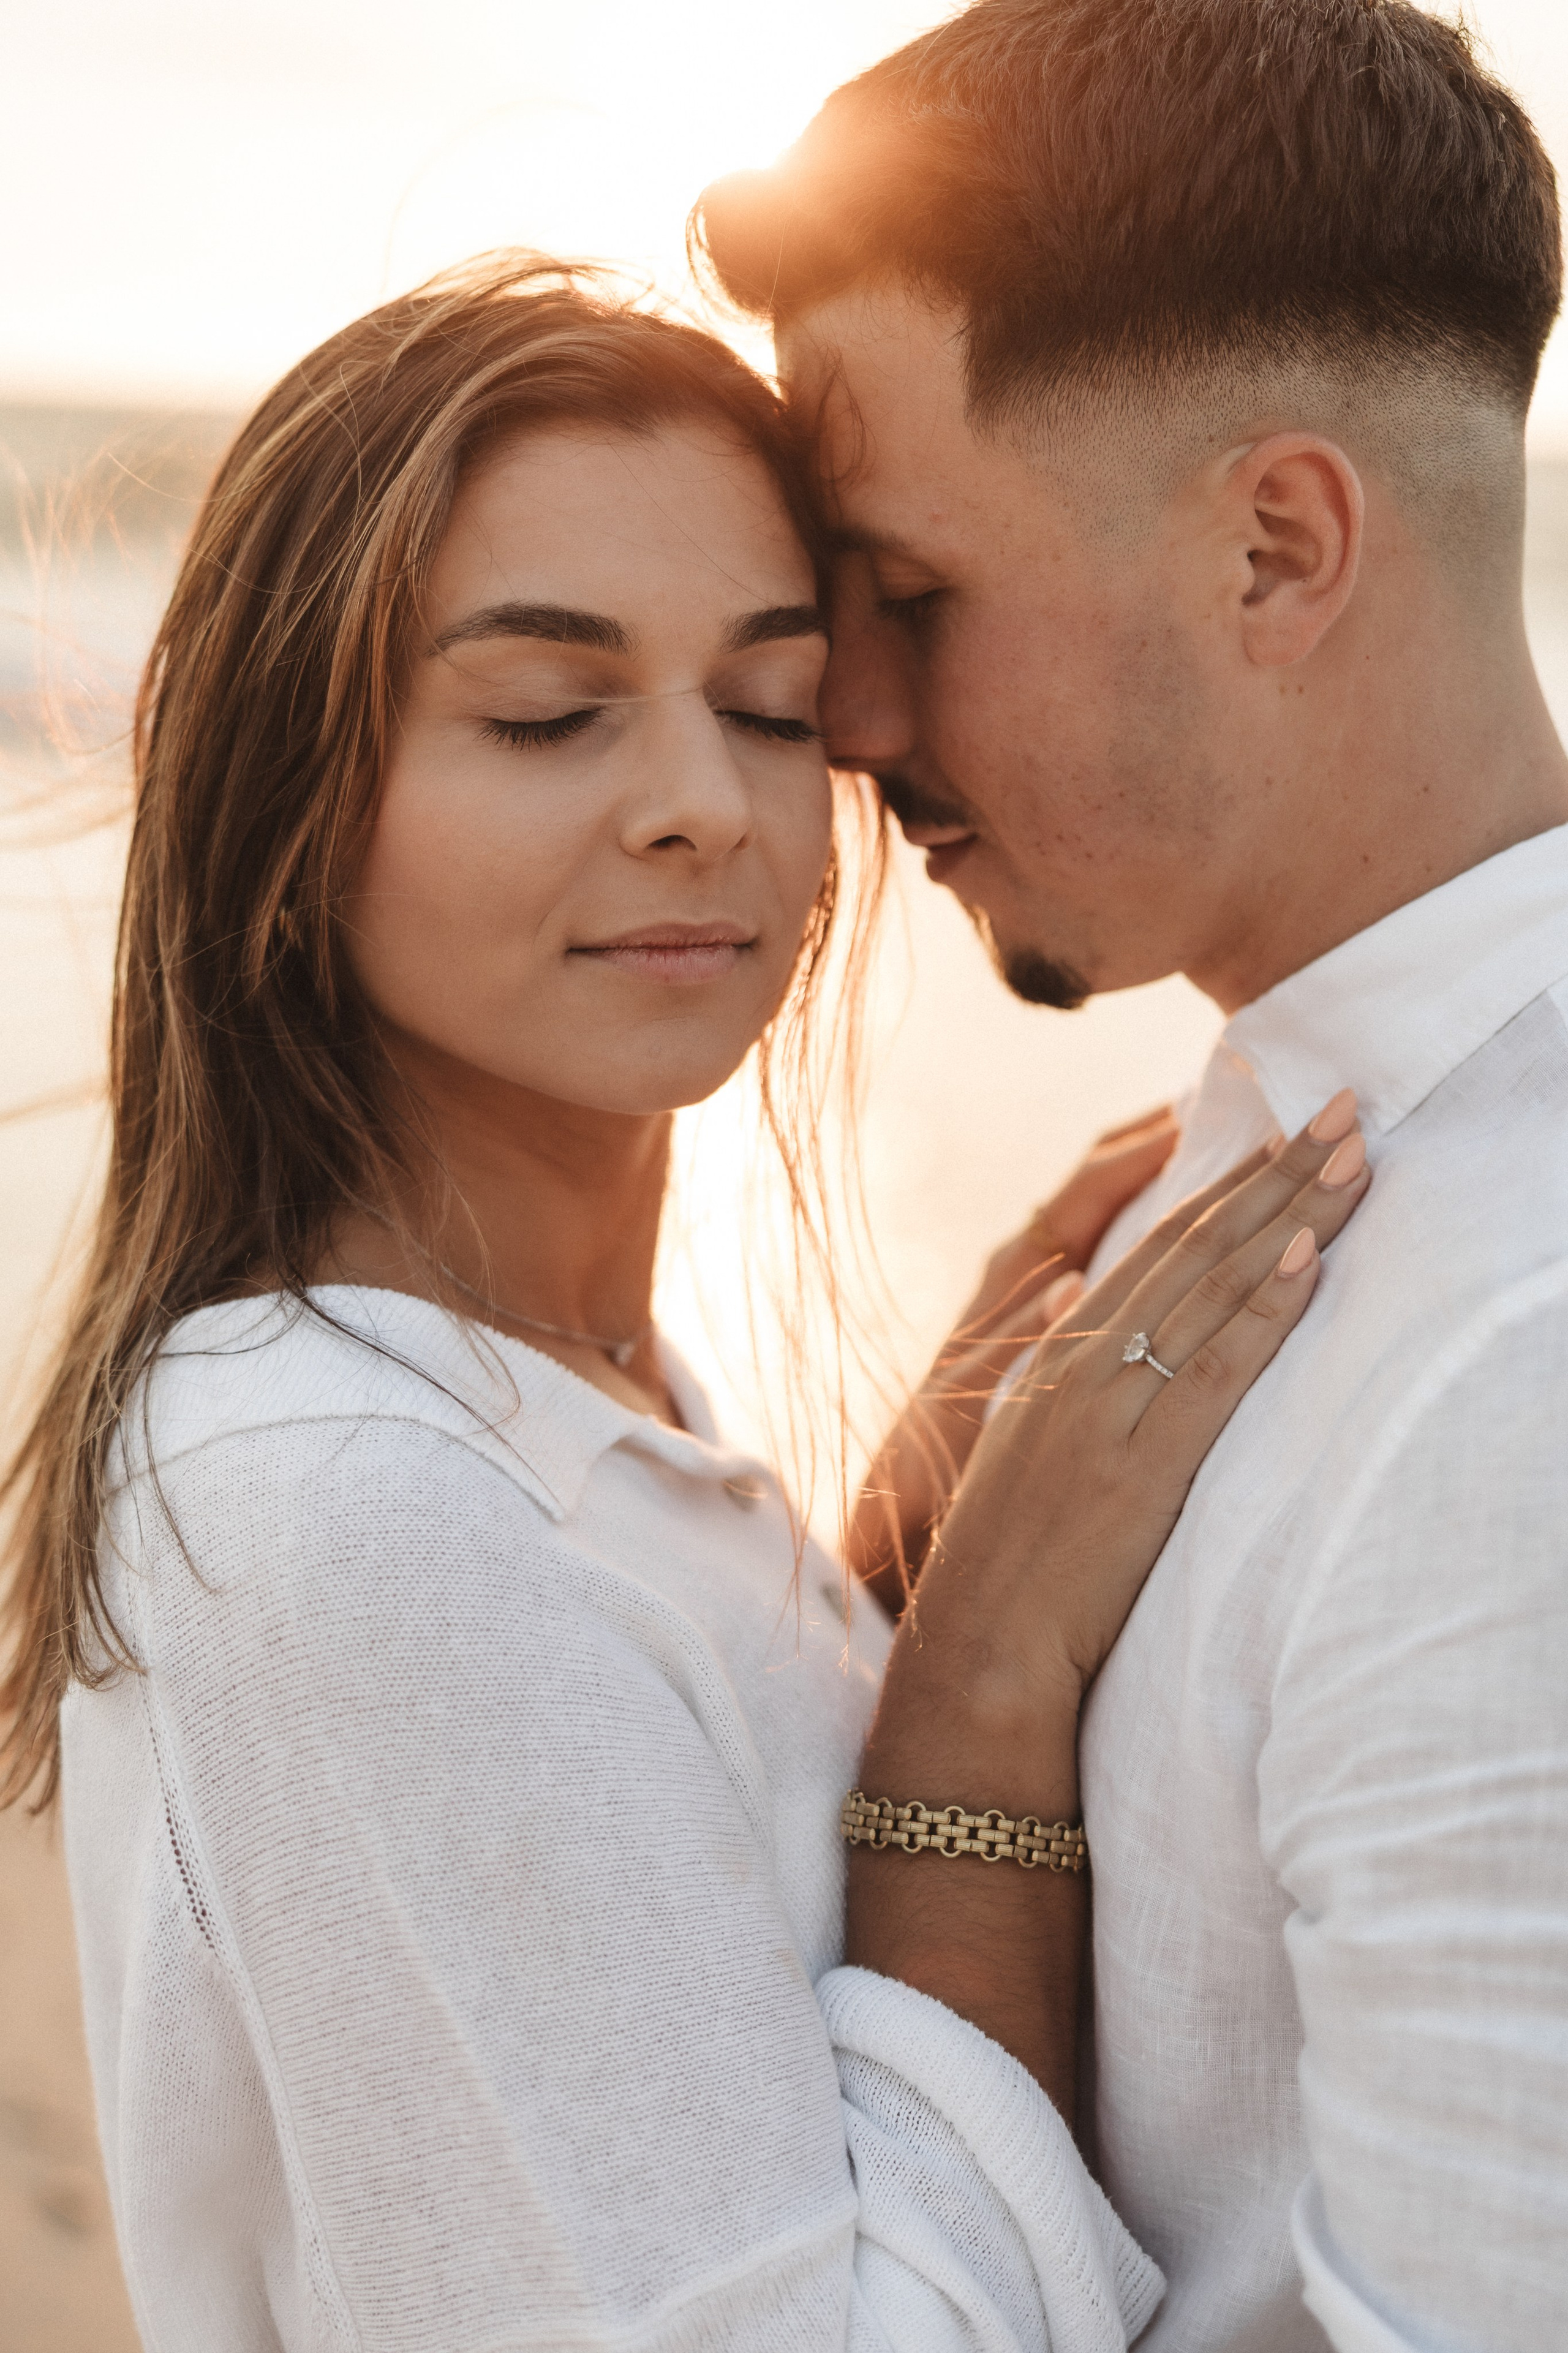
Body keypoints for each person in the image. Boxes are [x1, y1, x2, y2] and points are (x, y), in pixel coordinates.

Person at [0, 257, 1368, 2350]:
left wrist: (888, 1552)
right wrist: (983, 1676)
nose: (705, 807)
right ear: (286, 797)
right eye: (546, 714)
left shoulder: (558, 1397)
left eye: (769, 706)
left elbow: (684, 1966)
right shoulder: (345, 1491)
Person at [693, 2, 1568, 2347]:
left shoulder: (1520, 1374)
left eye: (918, 594)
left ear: (1279, 546)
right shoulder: (1269, 1150)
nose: (852, 720)